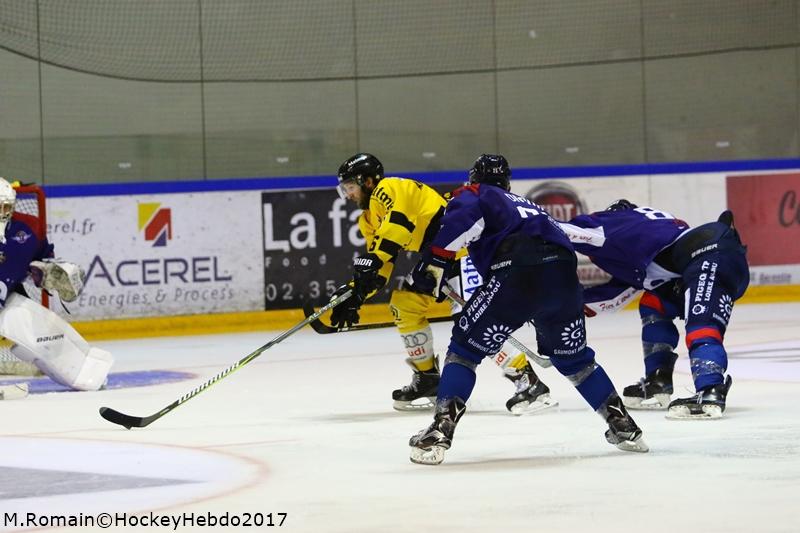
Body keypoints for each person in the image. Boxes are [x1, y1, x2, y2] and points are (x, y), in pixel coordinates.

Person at [407, 155, 647, 465]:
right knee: (576, 361)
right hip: (564, 280)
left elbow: (458, 224)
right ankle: (624, 426)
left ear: (474, 178)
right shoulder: (530, 206)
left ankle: (440, 430)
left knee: (464, 351)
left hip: (516, 274)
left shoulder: (476, 193)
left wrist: (432, 265)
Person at [330, 153, 555, 414]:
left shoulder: (387, 188)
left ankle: (528, 381)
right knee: (405, 306)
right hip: (435, 257)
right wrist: (355, 293)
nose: (348, 195)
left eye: (350, 187)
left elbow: (398, 226)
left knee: (473, 321)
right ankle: (428, 379)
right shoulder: (367, 220)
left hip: (460, 250)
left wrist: (374, 260)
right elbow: (381, 266)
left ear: (367, 181)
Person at [561, 200, 749, 419]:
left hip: (711, 255)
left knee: (702, 324)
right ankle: (658, 380)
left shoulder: (615, 224)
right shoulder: (642, 238)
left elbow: (560, 230)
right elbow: (616, 295)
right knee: (654, 303)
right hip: (709, 255)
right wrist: (561, 306)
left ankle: (710, 390)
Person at [0, 177, 113, 397]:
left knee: (42, 336)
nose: (3, 212)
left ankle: (87, 373)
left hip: (8, 297)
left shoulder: (27, 229)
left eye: (6, 207)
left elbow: (42, 256)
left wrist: (47, 270)